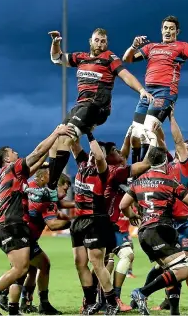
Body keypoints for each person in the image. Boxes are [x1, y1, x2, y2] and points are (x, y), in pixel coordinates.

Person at [0, 125, 74, 315]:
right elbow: (36, 152)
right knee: (21, 269)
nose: (16, 153)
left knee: (29, 268)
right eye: (13, 152)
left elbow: (37, 162)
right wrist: (55, 133)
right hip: (12, 224)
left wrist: (50, 153)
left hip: (13, 224)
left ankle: (13, 309)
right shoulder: (12, 168)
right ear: (7, 158)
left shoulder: (15, 175)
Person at [46, 28, 153, 192]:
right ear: (91, 41)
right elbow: (57, 58)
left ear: (107, 43)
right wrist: (55, 43)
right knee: (57, 139)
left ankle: (51, 188)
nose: (100, 44)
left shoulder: (110, 58)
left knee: (66, 138)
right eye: (97, 40)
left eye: (103, 41)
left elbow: (125, 75)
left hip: (97, 107)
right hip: (80, 106)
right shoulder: (81, 58)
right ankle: (51, 185)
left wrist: (141, 90)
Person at [120, 146, 188, 316]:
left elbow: (123, 205)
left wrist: (132, 216)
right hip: (160, 230)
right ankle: (142, 293)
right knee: (183, 269)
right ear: (165, 162)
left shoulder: (138, 181)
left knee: (171, 270)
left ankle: (174, 311)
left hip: (144, 233)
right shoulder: (169, 181)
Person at [122, 15, 188, 162]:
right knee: (135, 132)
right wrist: (134, 46)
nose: (168, 31)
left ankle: (144, 171)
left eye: (171, 29)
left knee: (147, 130)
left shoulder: (182, 47)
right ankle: (134, 175)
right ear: (161, 30)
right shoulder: (151, 47)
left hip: (165, 93)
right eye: (165, 28)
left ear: (177, 32)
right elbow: (127, 59)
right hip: (148, 93)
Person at [0, 172, 72, 314]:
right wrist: (71, 224)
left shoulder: (33, 188)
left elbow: (53, 208)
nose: (66, 193)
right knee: (33, 268)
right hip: (24, 237)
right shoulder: (46, 198)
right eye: (65, 189)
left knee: (30, 270)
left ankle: (23, 302)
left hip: (18, 233)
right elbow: (52, 224)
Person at [69, 133, 120, 315]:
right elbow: (73, 145)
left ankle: (112, 302)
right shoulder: (83, 164)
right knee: (79, 262)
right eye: (90, 151)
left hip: (95, 219)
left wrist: (90, 134)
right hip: (78, 220)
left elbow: (98, 155)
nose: (91, 154)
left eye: (95, 151)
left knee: (96, 263)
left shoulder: (102, 169)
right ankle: (90, 302)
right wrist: (74, 128)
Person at [102, 138, 152, 311]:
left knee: (125, 255)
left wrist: (130, 136)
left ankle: (109, 300)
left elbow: (123, 154)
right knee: (103, 262)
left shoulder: (108, 170)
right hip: (102, 225)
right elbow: (145, 164)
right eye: (114, 151)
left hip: (109, 225)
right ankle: (106, 300)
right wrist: (154, 142)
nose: (120, 153)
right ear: (108, 157)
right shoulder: (114, 172)